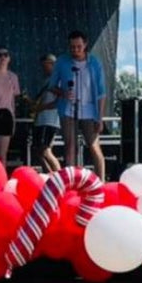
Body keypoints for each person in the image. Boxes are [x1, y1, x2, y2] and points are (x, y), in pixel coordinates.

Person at [50, 29, 107, 178]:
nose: (75, 50)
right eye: (72, 47)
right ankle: (71, 181)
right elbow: (52, 85)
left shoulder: (94, 63)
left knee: (94, 146)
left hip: (89, 109)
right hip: (68, 109)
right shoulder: (62, 61)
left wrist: (100, 118)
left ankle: (101, 182)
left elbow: (102, 93)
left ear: (85, 44)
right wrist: (63, 93)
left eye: (79, 46)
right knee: (69, 146)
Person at [27, 52, 62, 173]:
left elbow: (61, 101)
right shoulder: (46, 81)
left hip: (50, 121)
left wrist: (41, 107)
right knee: (38, 150)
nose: (43, 68)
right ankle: (50, 175)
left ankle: (60, 178)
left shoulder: (58, 80)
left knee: (45, 150)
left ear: (52, 64)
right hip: (41, 120)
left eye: (45, 65)